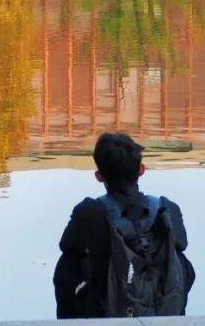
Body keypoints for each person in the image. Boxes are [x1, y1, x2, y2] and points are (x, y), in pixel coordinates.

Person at [53, 133, 194, 319]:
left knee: (69, 262)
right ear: (141, 170)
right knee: (179, 258)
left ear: (99, 176)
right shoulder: (167, 208)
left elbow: (66, 246)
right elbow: (182, 244)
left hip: (105, 310)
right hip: (164, 307)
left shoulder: (88, 212)